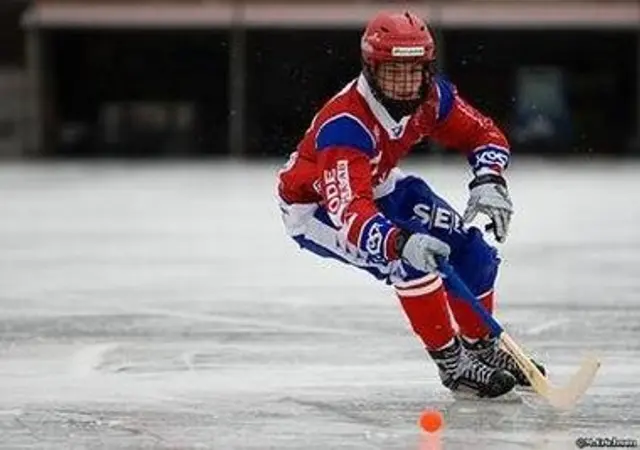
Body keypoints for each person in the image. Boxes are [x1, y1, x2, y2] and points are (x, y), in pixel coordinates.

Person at [276, 10, 545, 399]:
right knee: (407, 261)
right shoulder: (346, 126)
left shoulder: (432, 96)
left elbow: (482, 132)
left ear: (427, 67)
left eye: (414, 70)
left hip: (382, 183)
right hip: (315, 207)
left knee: (473, 253)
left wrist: (489, 179)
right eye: (391, 71)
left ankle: (481, 346)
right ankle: (452, 363)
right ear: (370, 68)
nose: (405, 84)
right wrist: (401, 242)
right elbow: (349, 213)